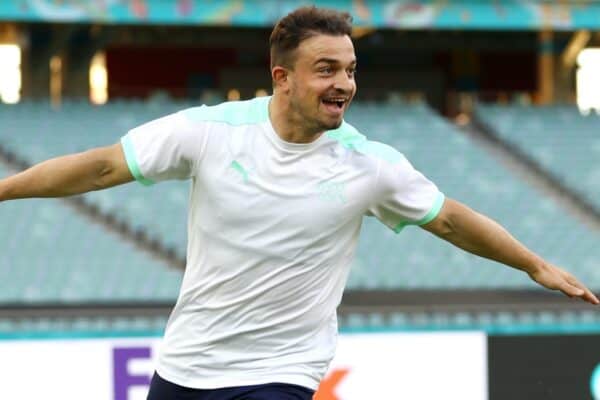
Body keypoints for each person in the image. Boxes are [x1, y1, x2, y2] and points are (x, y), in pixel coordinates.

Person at [0, 6, 597, 400]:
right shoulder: (210, 131)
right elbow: (104, 165)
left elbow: (448, 219)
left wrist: (533, 264)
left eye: (350, 70)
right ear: (281, 77)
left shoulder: (369, 164)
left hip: (283, 370)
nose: (344, 83)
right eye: (326, 69)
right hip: (187, 363)